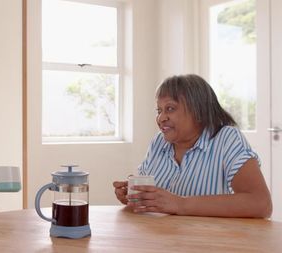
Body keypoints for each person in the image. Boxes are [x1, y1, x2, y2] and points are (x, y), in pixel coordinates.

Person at [113, 74, 272, 218]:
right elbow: (156, 202)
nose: (161, 118)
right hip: (162, 240)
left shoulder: (227, 139)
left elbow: (260, 204)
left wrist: (180, 204)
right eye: (159, 110)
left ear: (198, 111)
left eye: (170, 109)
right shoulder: (158, 142)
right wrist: (137, 195)